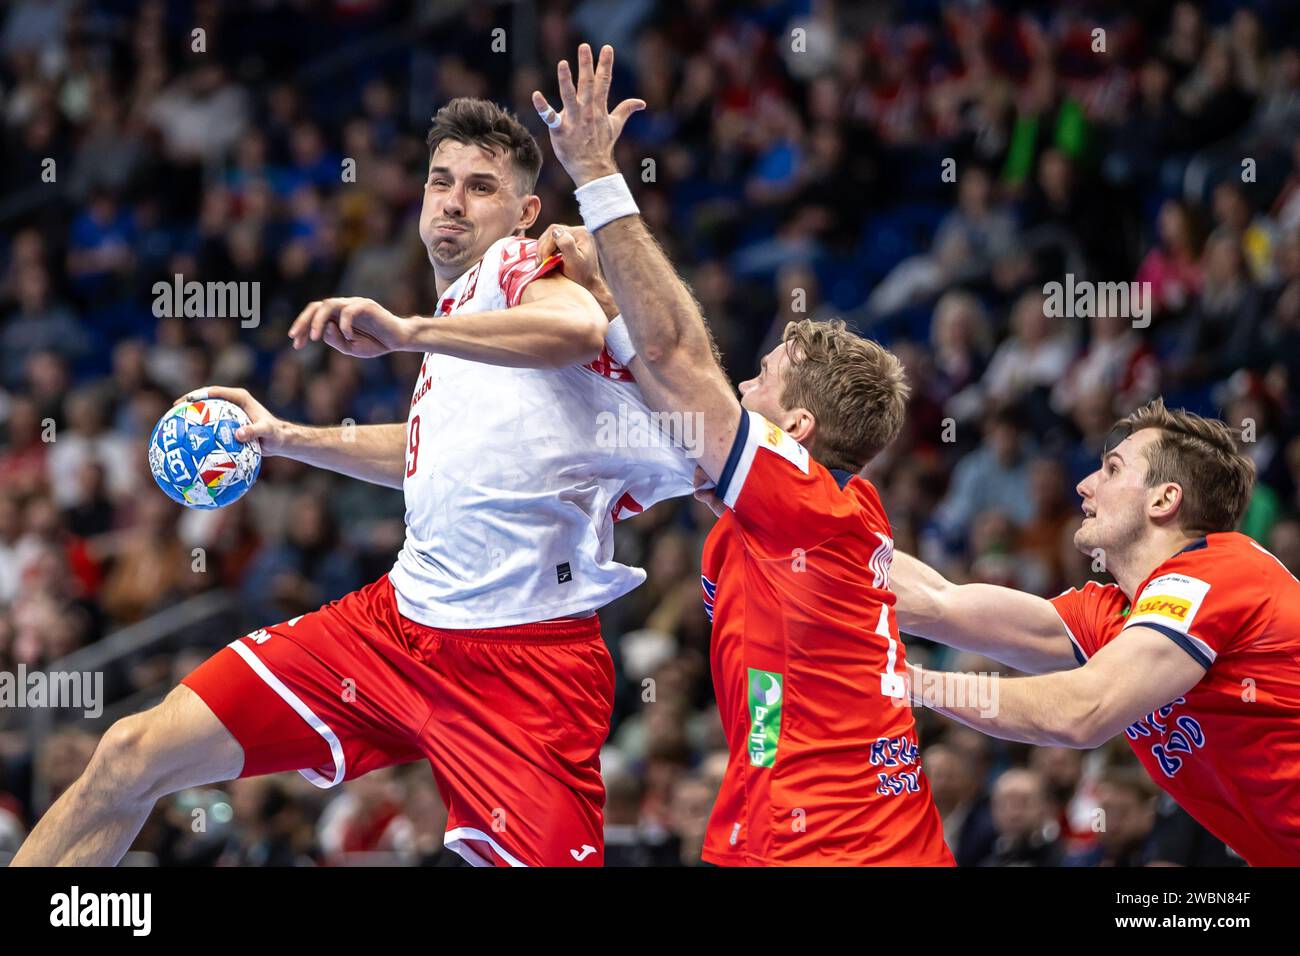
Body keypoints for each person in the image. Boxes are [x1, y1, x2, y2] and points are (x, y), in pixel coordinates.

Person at [13, 97, 695, 868]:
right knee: (131, 751)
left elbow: (573, 325)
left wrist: (406, 334)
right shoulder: (464, 321)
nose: (453, 201)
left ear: (525, 211)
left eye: (481, 186)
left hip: (523, 668)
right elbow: (419, 451)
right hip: (392, 632)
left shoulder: (513, 270)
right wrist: (286, 437)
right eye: (441, 181)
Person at [532, 43, 951, 865]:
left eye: (759, 379)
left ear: (798, 431)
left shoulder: (804, 500)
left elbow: (680, 361)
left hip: (847, 846)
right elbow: (672, 398)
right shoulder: (784, 517)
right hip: (769, 824)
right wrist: (607, 297)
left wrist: (594, 177)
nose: (738, 388)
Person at [893, 399, 1300, 865]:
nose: (1085, 485)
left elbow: (1082, 710)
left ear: (1163, 500)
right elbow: (938, 601)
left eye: (1111, 470)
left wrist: (907, 683)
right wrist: (823, 529)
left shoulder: (1222, 573)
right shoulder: (1118, 612)